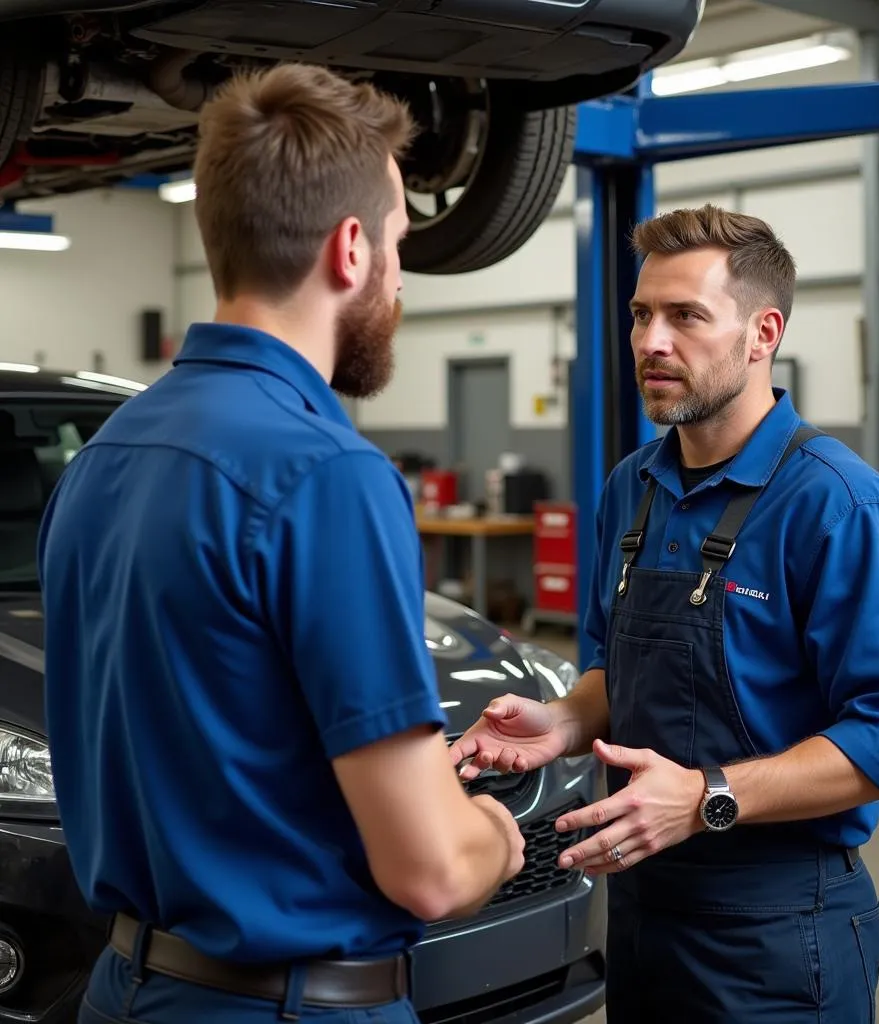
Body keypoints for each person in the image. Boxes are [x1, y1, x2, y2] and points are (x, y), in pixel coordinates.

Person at [38, 63, 524, 1024]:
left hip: (128, 990)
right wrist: (494, 833)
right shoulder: (327, 475)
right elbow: (429, 871)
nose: (399, 276)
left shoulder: (100, 461)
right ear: (350, 250)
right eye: (398, 244)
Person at [450, 204, 879, 1023]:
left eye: (686, 316)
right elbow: (618, 672)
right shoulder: (630, 488)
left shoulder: (838, 506)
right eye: (643, 315)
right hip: (643, 914)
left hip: (781, 935)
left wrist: (707, 795)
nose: (651, 341)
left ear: (762, 334)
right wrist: (562, 721)